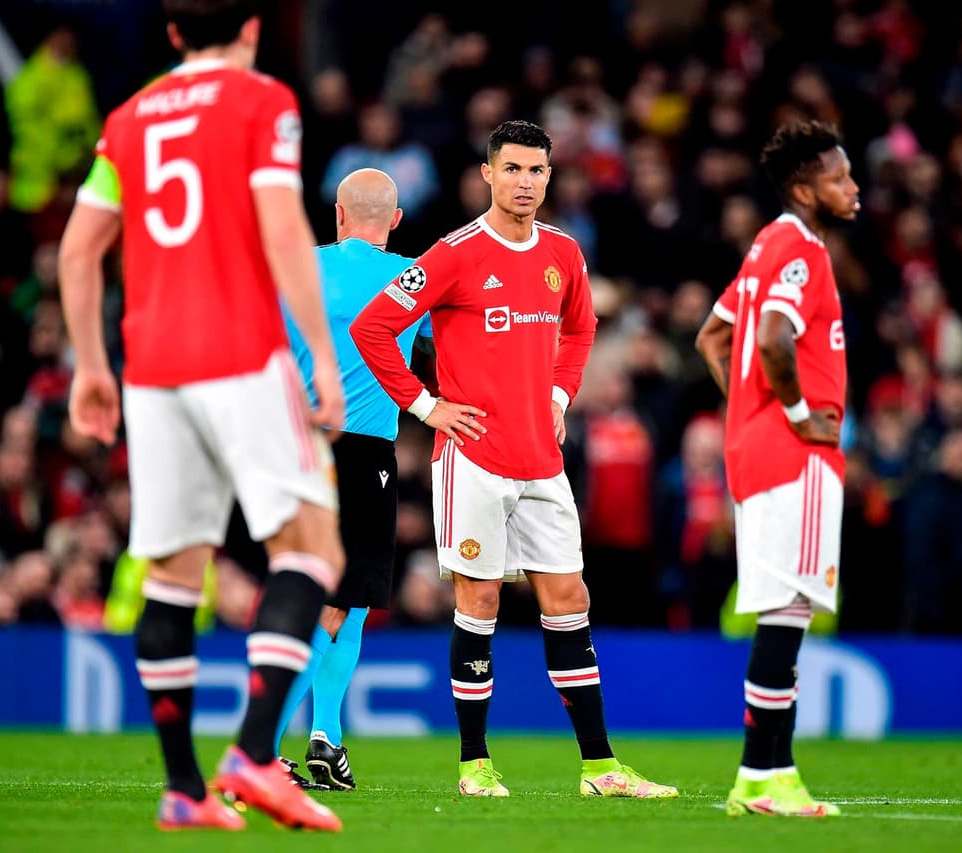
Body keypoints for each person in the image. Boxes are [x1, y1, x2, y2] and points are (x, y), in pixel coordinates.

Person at [58, 0, 344, 832]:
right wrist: (321, 355)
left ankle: (183, 789)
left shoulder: (128, 119)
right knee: (312, 546)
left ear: (174, 34)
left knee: (175, 574)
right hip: (242, 355)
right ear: (251, 28)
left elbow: (78, 250)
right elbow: (284, 229)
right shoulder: (263, 102)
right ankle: (255, 754)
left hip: (151, 370)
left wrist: (88, 364)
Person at [350, 119, 676, 800]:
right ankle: (474, 764)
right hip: (472, 458)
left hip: (541, 460)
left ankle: (600, 767)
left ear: (550, 177)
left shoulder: (564, 251)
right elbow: (373, 326)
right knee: (479, 600)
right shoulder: (455, 253)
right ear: (487, 174)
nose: (525, 182)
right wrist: (424, 406)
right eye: (514, 169)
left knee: (570, 600)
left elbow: (582, 327)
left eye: (537, 170)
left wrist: (560, 391)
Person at [695, 119, 860, 818]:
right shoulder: (802, 250)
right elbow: (769, 338)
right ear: (804, 187)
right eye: (838, 177)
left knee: (779, 610)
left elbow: (714, 334)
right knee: (790, 613)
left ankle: (765, 777)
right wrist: (793, 416)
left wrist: (750, 413)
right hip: (798, 455)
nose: (852, 187)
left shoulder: (765, 243)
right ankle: (767, 775)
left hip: (754, 454)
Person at [273, 167, 433, 790]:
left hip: (299, 445)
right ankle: (264, 747)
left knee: (338, 597)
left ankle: (327, 739)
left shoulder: (299, 267)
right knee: (341, 603)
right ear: (395, 219)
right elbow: (435, 352)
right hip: (366, 451)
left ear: (337, 213)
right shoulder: (410, 277)